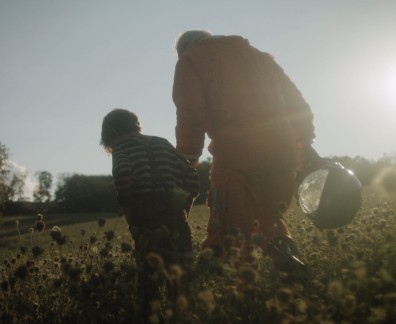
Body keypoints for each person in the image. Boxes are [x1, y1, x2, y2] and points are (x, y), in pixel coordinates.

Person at [171, 30, 323, 273]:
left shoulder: (191, 59)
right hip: (283, 150)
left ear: (184, 49)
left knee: (230, 221)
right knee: (270, 216)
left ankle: (229, 282)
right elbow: (298, 104)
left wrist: (187, 158)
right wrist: (303, 142)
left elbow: (190, 111)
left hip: (237, 150)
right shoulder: (262, 58)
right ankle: (286, 256)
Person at [100, 108, 200, 314]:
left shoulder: (121, 148)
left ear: (113, 134)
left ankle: (149, 313)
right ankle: (183, 312)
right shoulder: (162, 143)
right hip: (175, 213)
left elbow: (123, 177)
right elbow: (191, 177)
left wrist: (132, 220)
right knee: (181, 272)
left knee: (148, 275)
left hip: (146, 214)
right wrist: (184, 210)